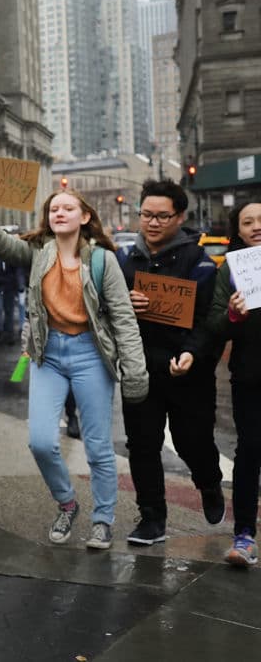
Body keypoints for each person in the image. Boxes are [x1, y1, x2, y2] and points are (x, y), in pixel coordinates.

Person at [0, 182, 148, 550]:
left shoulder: (102, 260)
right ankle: (67, 504)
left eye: (67, 208)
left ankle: (103, 520)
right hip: (48, 354)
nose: (59, 213)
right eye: (53, 209)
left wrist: (135, 371)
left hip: (91, 354)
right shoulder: (38, 252)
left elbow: (123, 317)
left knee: (98, 447)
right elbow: (0, 243)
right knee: (41, 442)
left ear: (85, 217)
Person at [116, 179, 224, 546]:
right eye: (146, 214)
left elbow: (209, 319)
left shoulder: (199, 262)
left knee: (193, 442)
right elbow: (105, 308)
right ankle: (151, 517)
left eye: (162, 216)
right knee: (142, 444)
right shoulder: (124, 260)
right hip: (140, 368)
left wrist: (193, 352)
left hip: (188, 370)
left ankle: (209, 482)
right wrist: (124, 302)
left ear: (180, 217)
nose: (153, 222)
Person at [206, 200, 261, 566]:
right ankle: (244, 536)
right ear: (238, 231)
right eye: (248, 222)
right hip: (250, 375)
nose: (256, 226)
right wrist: (233, 315)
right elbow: (214, 323)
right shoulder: (232, 269)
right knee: (250, 450)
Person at [0, 250, 22, 345]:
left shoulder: (12, 253)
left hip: (9, 285)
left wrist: (20, 284)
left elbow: (18, 269)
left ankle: (9, 333)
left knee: (9, 310)